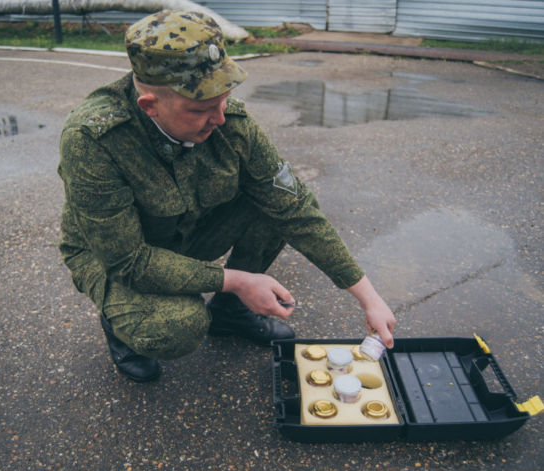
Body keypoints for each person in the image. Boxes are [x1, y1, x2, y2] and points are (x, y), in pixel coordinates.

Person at [57, 10, 396, 383]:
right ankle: (122, 323)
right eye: (201, 109)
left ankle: (230, 313)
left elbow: (293, 206)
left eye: (223, 101)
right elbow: (128, 260)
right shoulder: (94, 139)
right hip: (115, 256)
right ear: (150, 105)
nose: (219, 118)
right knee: (177, 326)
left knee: (273, 204)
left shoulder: (228, 122)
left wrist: (368, 297)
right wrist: (236, 278)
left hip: (184, 234)